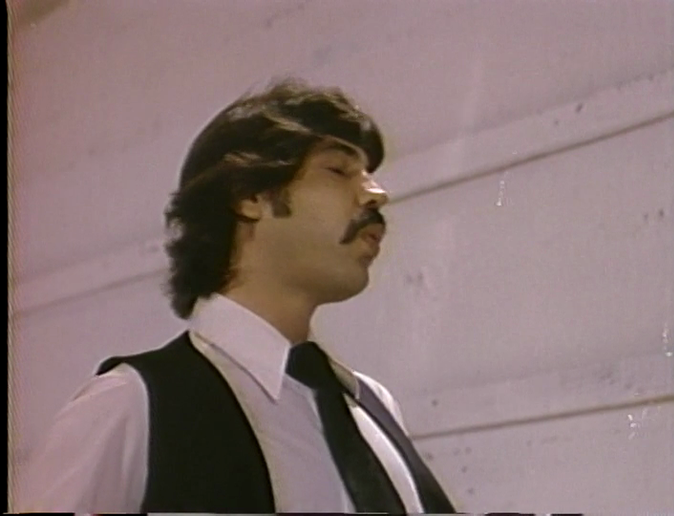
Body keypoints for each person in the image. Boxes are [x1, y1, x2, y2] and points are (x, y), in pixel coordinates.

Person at [16, 78, 457, 513]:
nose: (377, 193)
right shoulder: (130, 404)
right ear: (250, 196)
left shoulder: (371, 405)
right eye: (338, 170)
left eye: (369, 174)